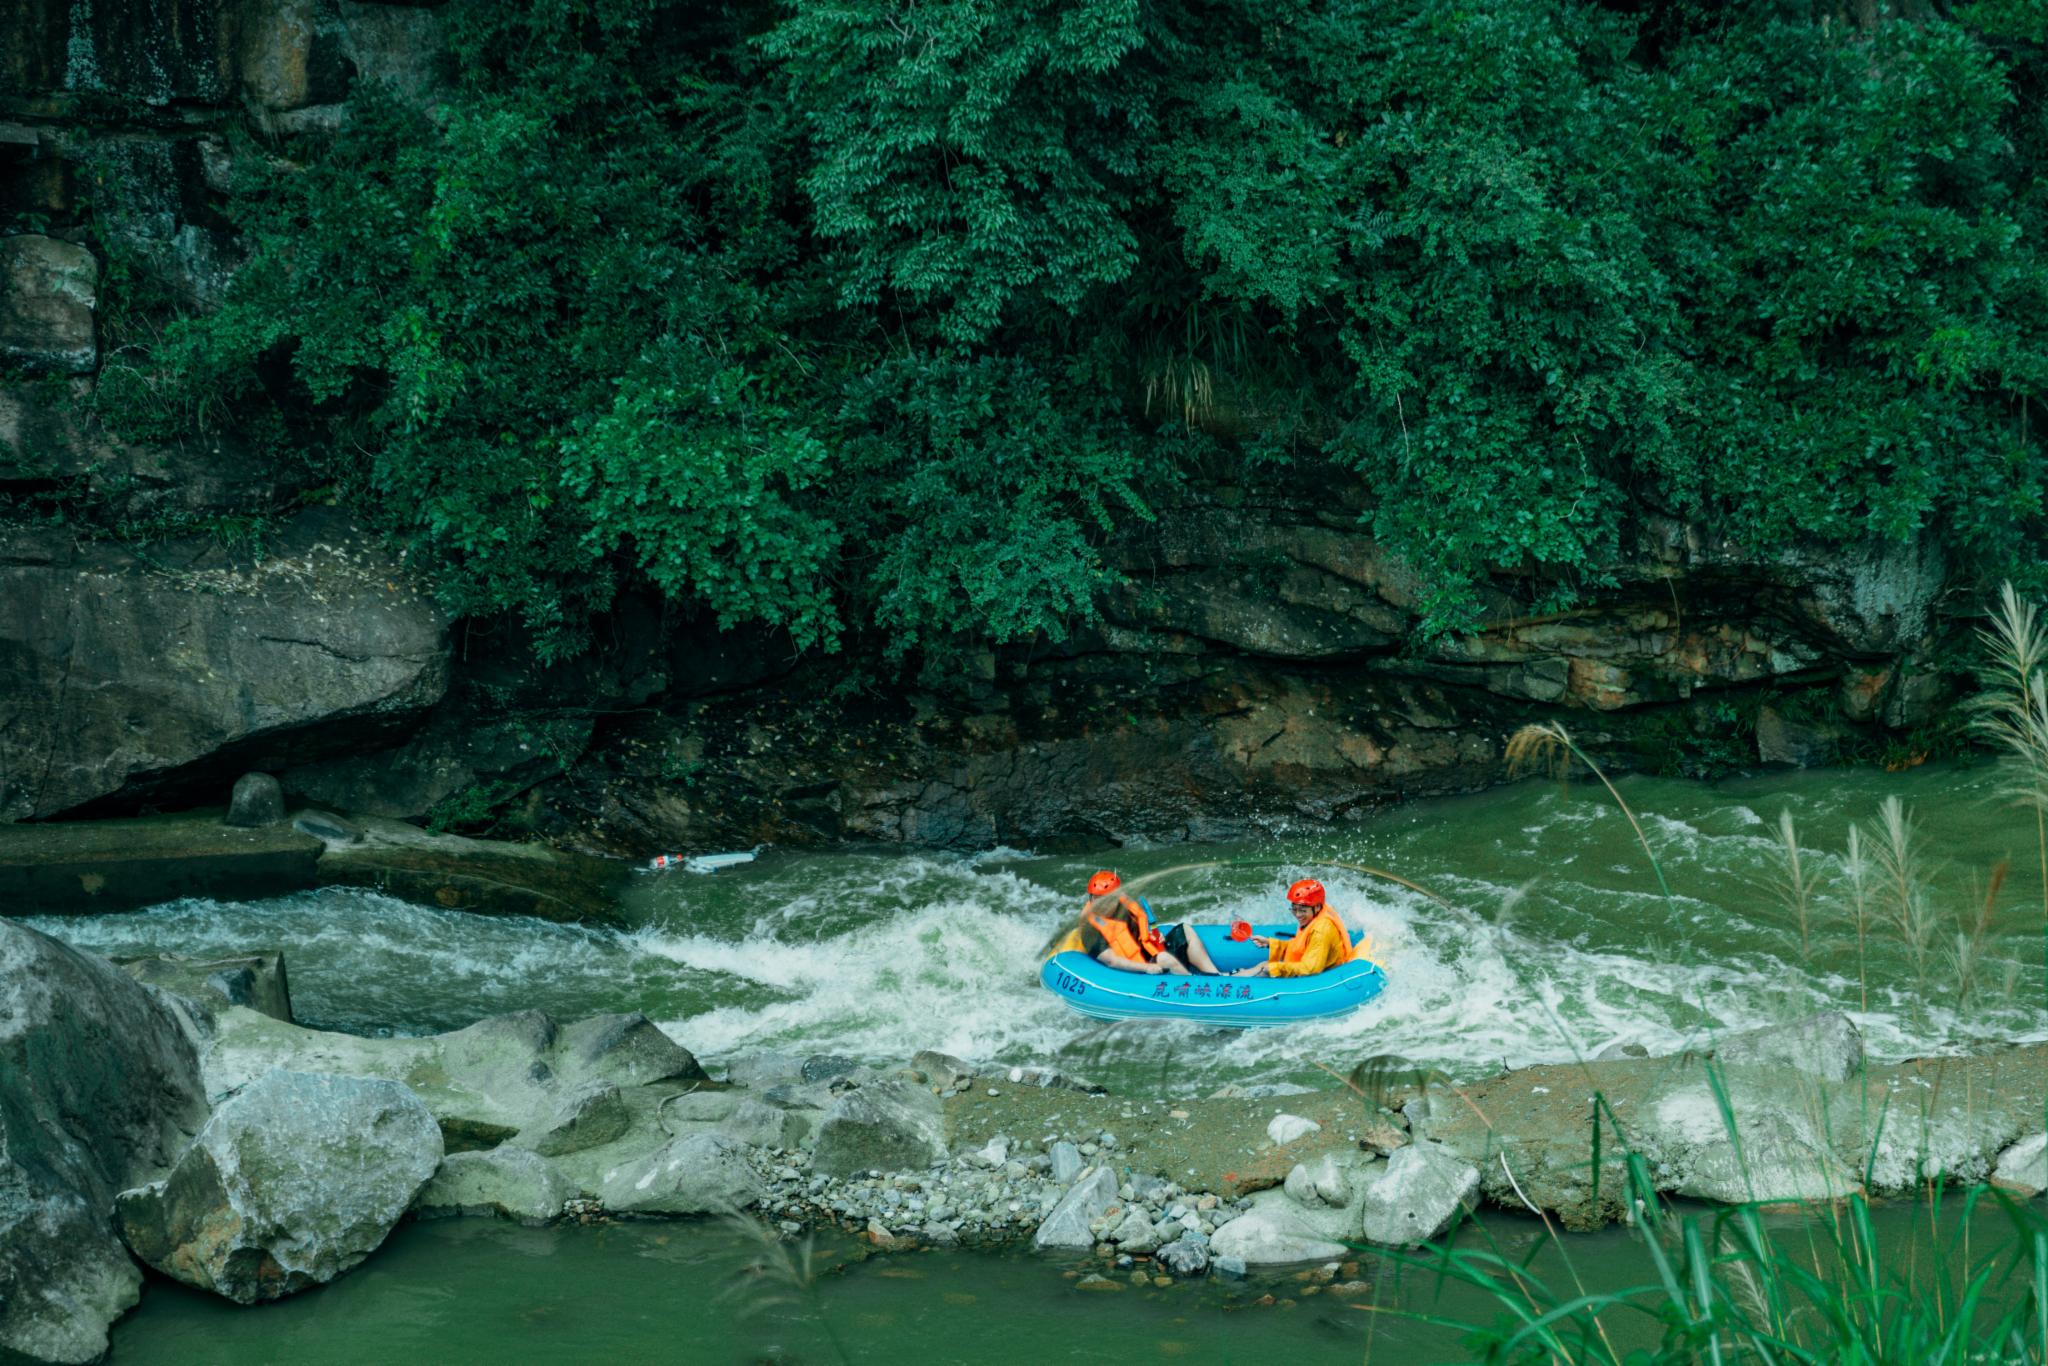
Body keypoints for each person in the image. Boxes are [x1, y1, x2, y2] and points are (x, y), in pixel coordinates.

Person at [1050, 870, 1228, 975]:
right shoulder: (1091, 929)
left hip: (1149, 953)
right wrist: (1147, 967)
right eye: (1096, 899)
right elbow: (1112, 961)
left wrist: (1154, 939)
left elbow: (1142, 929)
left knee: (1185, 930)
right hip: (1135, 970)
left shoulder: (1125, 905)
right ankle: (1194, 986)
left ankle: (1214, 975)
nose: (1100, 904)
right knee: (1164, 958)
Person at [1237, 879, 1361, 978]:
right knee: (1263, 965)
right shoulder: (1314, 917)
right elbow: (1301, 947)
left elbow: (1310, 968)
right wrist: (1270, 943)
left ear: (1317, 907)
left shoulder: (1321, 930)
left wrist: (1277, 968)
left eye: (1302, 910)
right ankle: (1229, 977)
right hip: (1320, 966)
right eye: (1294, 909)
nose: (1297, 915)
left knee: (1265, 970)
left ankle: (1228, 981)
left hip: (1325, 975)